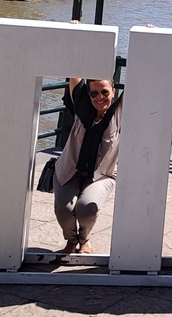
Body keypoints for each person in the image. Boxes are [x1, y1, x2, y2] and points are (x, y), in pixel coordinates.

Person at [53, 76, 122, 254]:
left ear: (113, 92)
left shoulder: (119, 114)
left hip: (102, 174)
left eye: (105, 92)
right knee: (64, 209)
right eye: (94, 93)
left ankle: (85, 239)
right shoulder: (82, 109)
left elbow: (140, 80)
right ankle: (71, 240)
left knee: (87, 208)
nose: (99, 97)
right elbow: (76, 71)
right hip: (71, 169)